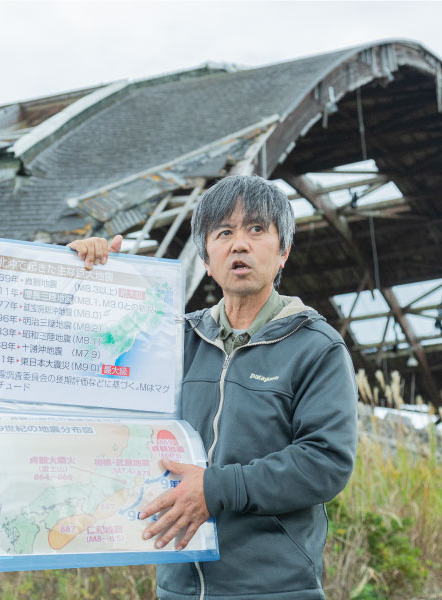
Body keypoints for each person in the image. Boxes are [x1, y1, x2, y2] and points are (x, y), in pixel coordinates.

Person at [68, 174, 358, 600]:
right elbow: (95, 381)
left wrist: (214, 488)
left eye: (256, 229)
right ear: (206, 258)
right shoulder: (174, 340)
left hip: (273, 589)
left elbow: (325, 462)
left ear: (283, 252)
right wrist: (92, 280)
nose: (239, 244)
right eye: (223, 232)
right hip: (179, 587)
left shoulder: (317, 348)